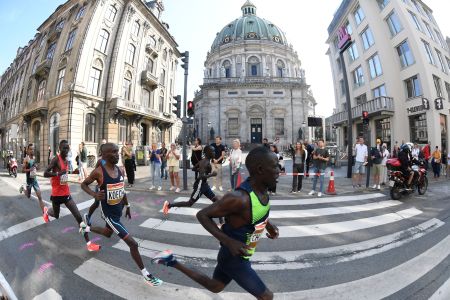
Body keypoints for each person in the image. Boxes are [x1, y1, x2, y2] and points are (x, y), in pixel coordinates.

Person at [152, 146, 279, 299]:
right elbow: (203, 215)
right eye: (275, 166)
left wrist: (269, 226)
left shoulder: (263, 189)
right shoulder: (239, 198)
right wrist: (229, 242)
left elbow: (257, 213)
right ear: (260, 169)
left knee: (215, 286)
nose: (279, 170)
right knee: (267, 297)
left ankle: (171, 261)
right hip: (234, 259)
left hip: (237, 254)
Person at [81, 143, 164, 286]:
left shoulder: (120, 170)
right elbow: (84, 184)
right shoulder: (99, 172)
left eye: (117, 151)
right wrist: (94, 194)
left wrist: (127, 205)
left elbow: (122, 189)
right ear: (104, 155)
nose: (117, 154)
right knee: (133, 244)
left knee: (107, 233)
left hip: (118, 211)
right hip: (109, 215)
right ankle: (146, 275)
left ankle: (85, 228)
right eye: (113, 152)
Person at [43, 140, 101, 252]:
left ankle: (89, 244)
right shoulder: (56, 159)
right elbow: (46, 173)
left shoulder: (67, 160)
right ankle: (46, 212)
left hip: (66, 193)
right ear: (59, 149)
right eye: (64, 148)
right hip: (56, 195)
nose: (66, 150)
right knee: (56, 215)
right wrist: (57, 174)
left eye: (67, 148)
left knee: (79, 218)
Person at [162, 146, 220, 216]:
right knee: (189, 203)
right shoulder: (206, 163)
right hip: (200, 186)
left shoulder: (203, 161)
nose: (214, 153)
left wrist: (200, 170)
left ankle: (221, 221)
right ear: (207, 153)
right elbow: (201, 176)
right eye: (212, 151)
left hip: (205, 185)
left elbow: (193, 169)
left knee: (216, 201)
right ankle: (169, 205)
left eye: (214, 151)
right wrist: (212, 174)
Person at [19, 144, 48, 222]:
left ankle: (44, 214)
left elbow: (35, 168)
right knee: (28, 195)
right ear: (28, 150)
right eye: (31, 149)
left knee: (40, 197)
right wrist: (30, 169)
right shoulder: (26, 159)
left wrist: (37, 167)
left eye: (33, 149)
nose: (32, 150)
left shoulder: (34, 158)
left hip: (34, 181)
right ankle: (22, 188)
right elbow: (22, 170)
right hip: (29, 181)